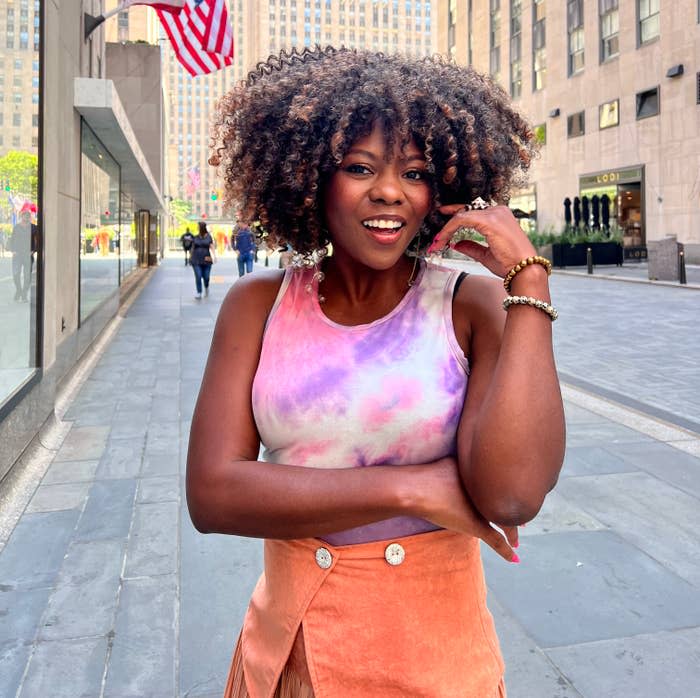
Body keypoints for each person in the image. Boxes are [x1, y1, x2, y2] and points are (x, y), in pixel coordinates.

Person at [189, 47, 565, 698]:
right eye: (360, 166)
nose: (389, 190)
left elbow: (511, 496)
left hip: (436, 662)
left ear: (439, 190)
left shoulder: (468, 305)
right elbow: (213, 494)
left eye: (414, 173)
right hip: (289, 657)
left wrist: (526, 284)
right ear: (310, 177)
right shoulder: (257, 305)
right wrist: (411, 490)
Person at [9, 210, 38, 302]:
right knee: (15, 274)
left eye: (27, 216)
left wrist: (34, 250)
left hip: (28, 255)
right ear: (21, 217)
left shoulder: (34, 228)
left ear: (29, 217)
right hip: (17, 255)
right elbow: (12, 239)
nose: (25, 217)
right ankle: (19, 290)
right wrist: (12, 250)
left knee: (27, 276)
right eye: (24, 216)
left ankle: (24, 294)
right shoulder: (16, 227)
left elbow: (38, 240)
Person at [190, 221, 216, 299]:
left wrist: (214, 256)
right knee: (198, 276)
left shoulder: (209, 237)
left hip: (206, 259)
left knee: (206, 277)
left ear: (202, 227)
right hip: (196, 259)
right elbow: (192, 248)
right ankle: (199, 292)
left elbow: (212, 246)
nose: (197, 228)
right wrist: (190, 257)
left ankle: (206, 287)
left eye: (198, 227)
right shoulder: (195, 237)